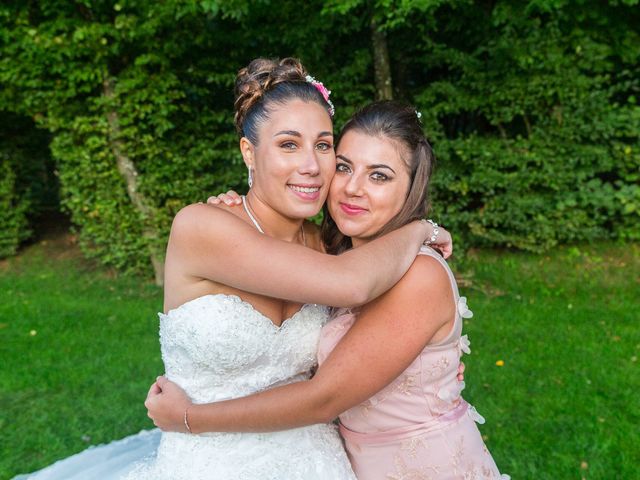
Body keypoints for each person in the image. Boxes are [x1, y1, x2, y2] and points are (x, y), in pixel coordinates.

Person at [14, 59, 451, 480]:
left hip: (319, 461)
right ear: (249, 151)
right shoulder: (201, 225)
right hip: (209, 464)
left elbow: (365, 314)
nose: (311, 165)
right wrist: (420, 231)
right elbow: (354, 283)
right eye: (288, 144)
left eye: (323, 145)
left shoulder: (326, 245)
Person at [146, 100, 510, 479]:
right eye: (344, 167)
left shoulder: (418, 272)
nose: (353, 188)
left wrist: (189, 417)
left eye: (379, 176)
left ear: (411, 189)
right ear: (248, 152)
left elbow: (326, 395)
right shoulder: (327, 254)